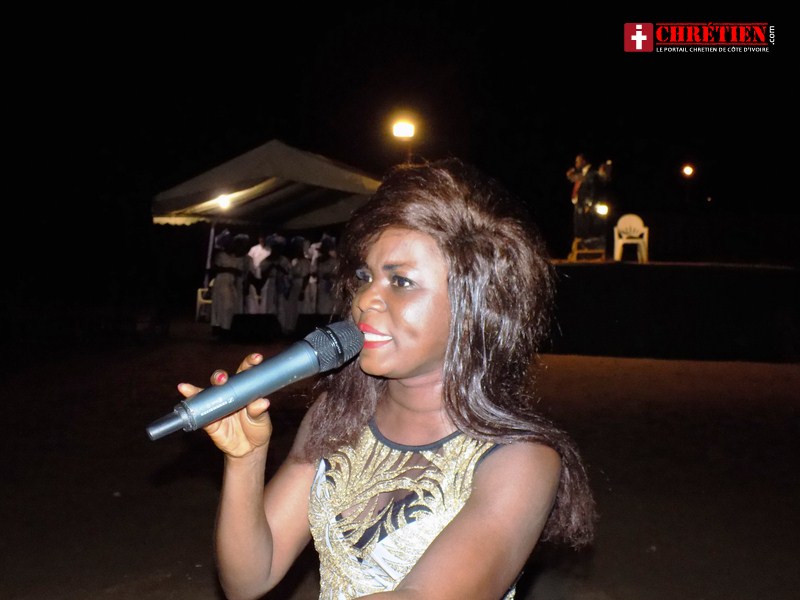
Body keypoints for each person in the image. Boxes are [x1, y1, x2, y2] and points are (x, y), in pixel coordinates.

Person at [177, 158, 596, 599]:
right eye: (365, 276)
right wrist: (245, 460)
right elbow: (248, 579)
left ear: (476, 305)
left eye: (401, 281)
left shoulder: (521, 461)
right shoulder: (337, 415)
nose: (366, 299)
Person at [566, 153, 610, 254]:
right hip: (580, 205)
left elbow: (593, 189)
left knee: (586, 228)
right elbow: (575, 180)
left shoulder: (592, 173)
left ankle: (587, 251)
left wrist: (589, 204)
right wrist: (570, 175)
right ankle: (580, 250)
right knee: (579, 228)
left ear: (584, 161)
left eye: (578, 161)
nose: (576, 164)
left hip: (586, 206)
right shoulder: (582, 173)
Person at [209, 232, 250, 338]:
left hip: (231, 283)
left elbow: (241, 271)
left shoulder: (235, 257)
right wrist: (230, 270)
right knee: (221, 305)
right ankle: (218, 328)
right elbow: (215, 269)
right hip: (221, 282)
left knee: (230, 306)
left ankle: (227, 328)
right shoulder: (221, 255)